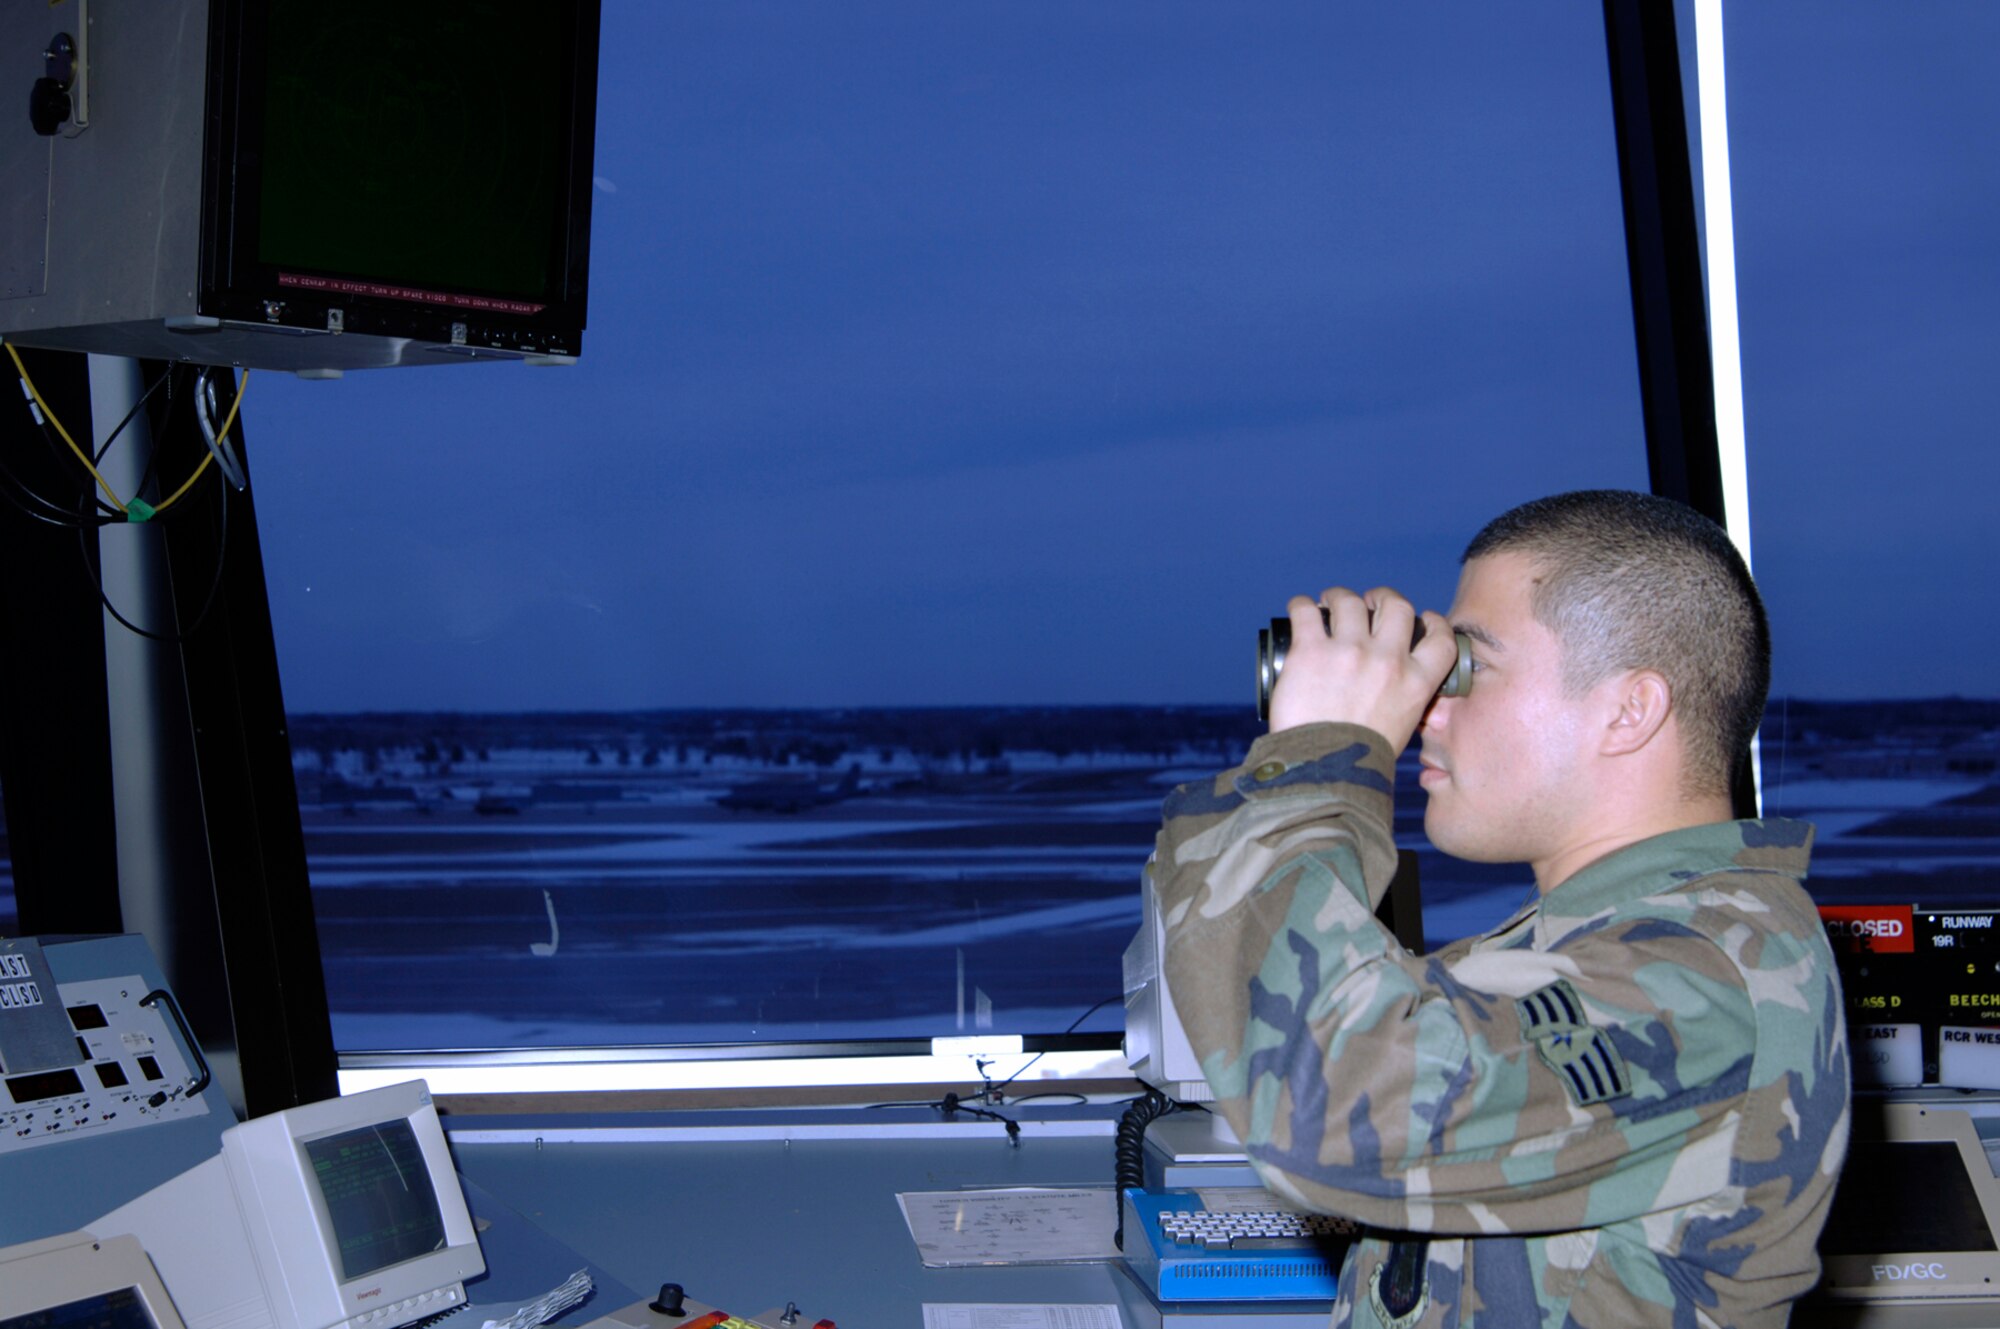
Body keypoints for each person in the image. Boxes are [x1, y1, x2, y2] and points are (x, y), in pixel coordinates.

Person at [1152, 490, 1849, 1327]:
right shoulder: (1597, 940)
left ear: (1630, 709)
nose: (1424, 712)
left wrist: (1320, 758)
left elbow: (1329, 1109)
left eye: (1467, 668)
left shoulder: (1713, 974)